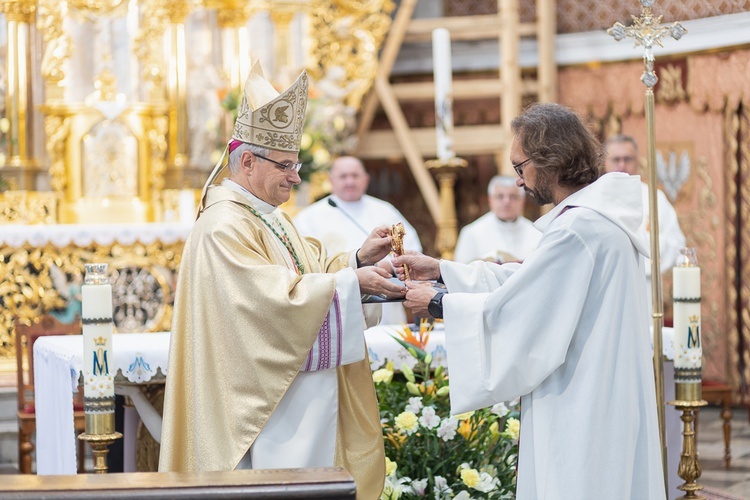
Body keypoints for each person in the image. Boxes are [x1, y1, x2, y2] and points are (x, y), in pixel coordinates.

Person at [393, 103, 665, 499]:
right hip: (600, 392)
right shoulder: (594, 220)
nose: (519, 183)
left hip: (582, 401)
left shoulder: (579, 229)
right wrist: (440, 270)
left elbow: (524, 314)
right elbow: (530, 281)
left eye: (520, 168)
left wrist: (437, 304)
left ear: (549, 159)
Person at [159, 62, 404, 499]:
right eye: (286, 166)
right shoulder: (222, 226)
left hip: (294, 404)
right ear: (247, 161)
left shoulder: (267, 216)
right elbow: (269, 303)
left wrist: (356, 259)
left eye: (297, 164)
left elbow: (306, 269)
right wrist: (354, 284)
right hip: (262, 414)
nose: (296, 176)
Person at [294, 155, 421, 325]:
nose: (350, 181)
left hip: (385, 309)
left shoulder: (385, 211)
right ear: (331, 180)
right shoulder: (308, 218)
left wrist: (388, 265)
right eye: (343, 176)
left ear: (366, 179)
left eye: (355, 176)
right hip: (336, 308)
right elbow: (302, 264)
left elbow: (413, 251)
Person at [604, 134, 686, 310]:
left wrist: (639, 244)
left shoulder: (655, 199)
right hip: (607, 292)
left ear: (637, 161)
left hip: (646, 292)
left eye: (628, 159)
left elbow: (677, 245)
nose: (622, 165)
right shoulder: (595, 200)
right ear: (604, 162)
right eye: (616, 159)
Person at [453, 175, 541, 264]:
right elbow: (462, 272)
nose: (506, 202)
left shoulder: (537, 233)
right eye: (500, 196)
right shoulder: (472, 233)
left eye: (513, 196)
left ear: (522, 200)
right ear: (490, 200)